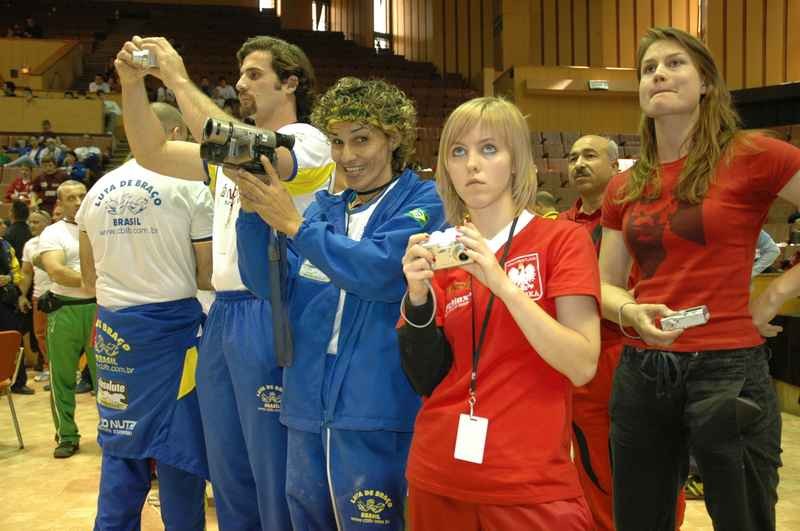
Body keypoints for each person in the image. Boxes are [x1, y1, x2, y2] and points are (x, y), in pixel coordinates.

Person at [116, 34, 335, 529]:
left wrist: (175, 76)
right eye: (240, 76)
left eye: (254, 75)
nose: (241, 84)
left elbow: (232, 144)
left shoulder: (309, 142)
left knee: (272, 467)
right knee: (229, 470)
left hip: (275, 308)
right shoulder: (225, 154)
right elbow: (151, 153)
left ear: (291, 82)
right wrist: (132, 85)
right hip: (223, 315)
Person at [598, 27, 800, 531]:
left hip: (728, 369)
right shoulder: (625, 184)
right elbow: (604, 284)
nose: (659, 75)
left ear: (706, 82)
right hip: (643, 371)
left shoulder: (755, 155)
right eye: (648, 69)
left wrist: (775, 294)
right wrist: (629, 312)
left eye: (674, 64)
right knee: (639, 520)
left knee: (743, 519)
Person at [236, 77, 444, 531]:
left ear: (394, 138)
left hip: (376, 407)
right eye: (337, 141)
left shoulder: (425, 201)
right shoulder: (324, 211)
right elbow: (266, 284)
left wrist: (294, 225)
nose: (348, 156)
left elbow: (382, 273)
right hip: (307, 403)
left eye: (362, 139)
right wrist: (254, 213)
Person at [398, 96, 599, 530]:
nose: (472, 163)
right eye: (458, 151)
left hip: (529, 484)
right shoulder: (439, 252)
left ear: (515, 161)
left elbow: (582, 364)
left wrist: (502, 284)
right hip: (438, 474)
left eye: (489, 149)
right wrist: (417, 298)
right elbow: (424, 377)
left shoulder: (562, 241)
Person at [78, 103, 213, 531]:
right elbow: (206, 273)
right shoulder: (191, 186)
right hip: (172, 333)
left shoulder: (96, 190)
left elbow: (87, 279)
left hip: (115, 332)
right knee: (179, 450)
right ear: (172, 131)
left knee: (121, 444)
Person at [37, 180, 97, 458]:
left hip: (99, 308)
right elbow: (57, 271)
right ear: (59, 204)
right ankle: (67, 436)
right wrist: (100, 283)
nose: (78, 201)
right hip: (65, 311)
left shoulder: (101, 226)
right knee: (62, 378)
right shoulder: (53, 232)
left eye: (82, 196)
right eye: (71, 198)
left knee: (108, 380)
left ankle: (112, 436)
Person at [19, 210, 52, 380]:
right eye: (30, 222)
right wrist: (22, 295)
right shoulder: (29, 244)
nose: (32, 225)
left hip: (58, 295)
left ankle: (68, 369)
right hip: (39, 296)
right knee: (40, 334)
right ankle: (48, 368)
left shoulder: (56, 239)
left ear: (48, 223)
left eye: (36, 222)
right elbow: (26, 273)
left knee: (60, 335)